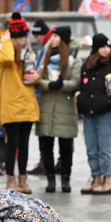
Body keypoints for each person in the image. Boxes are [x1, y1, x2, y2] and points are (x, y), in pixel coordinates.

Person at [76, 33, 111, 194]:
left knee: (104, 147)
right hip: (89, 113)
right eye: (102, 47)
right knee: (91, 147)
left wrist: (110, 100)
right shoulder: (87, 65)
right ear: (96, 48)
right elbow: (81, 84)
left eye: (108, 46)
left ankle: (107, 179)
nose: (106, 50)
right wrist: (79, 97)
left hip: (105, 113)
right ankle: (95, 177)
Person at [0, 12, 40, 193]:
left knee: (24, 144)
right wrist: (6, 41)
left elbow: (33, 73)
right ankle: (10, 179)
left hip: (27, 102)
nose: (24, 39)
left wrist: (37, 76)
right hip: (11, 103)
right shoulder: (1, 48)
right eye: (21, 36)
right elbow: (6, 59)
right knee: (12, 143)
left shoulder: (27, 50)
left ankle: (23, 179)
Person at [35, 26, 81, 193]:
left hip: (65, 107)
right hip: (46, 107)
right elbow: (38, 79)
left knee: (66, 146)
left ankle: (66, 179)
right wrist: (50, 85)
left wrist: (62, 85)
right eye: (51, 36)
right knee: (46, 145)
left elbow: (76, 81)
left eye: (55, 36)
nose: (51, 39)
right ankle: (50, 179)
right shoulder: (45, 56)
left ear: (63, 39)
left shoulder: (74, 59)